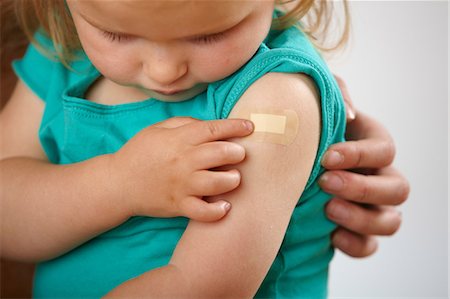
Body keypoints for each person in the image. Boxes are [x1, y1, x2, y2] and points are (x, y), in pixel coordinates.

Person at [0, 0, 409, 297]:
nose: (165, 70)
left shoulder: (275, 99)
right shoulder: (60, 48)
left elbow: (202, 288)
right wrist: (118, 183)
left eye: (208, 35)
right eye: (115, 34)